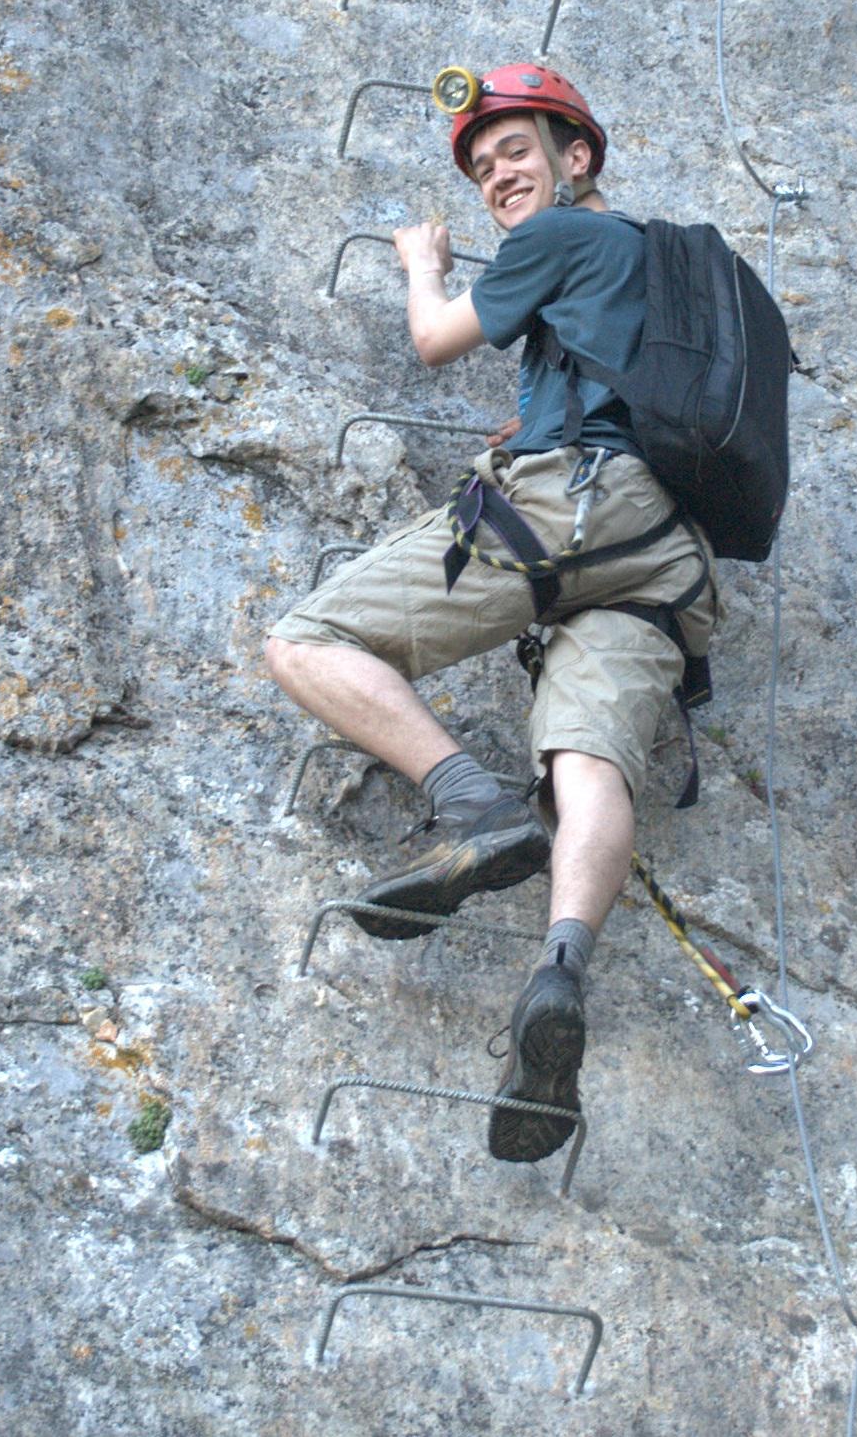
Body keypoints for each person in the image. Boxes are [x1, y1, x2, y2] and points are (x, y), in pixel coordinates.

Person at [265, 63, 717, 1163]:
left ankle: (474, 807)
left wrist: (423, 268)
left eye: (515, 150)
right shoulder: (663, 270)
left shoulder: (565, 233)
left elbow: (435, 340)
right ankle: (560, 968)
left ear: (579, 155)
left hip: (574, 509)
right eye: (480, 170)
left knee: (304, 640)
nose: (496, 177)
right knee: (587, 758)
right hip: (668, 559)